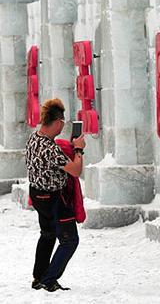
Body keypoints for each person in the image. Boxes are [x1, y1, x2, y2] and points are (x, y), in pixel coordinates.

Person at [25, 98, 86, 292]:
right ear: (59, 122)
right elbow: (76, 170)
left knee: (48, 234)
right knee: (69, 241)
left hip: (37, 195)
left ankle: (39, 276)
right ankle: (49, 279)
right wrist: (78, 149)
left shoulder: (34, 139)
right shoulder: (50, 149)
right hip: (54, 199)